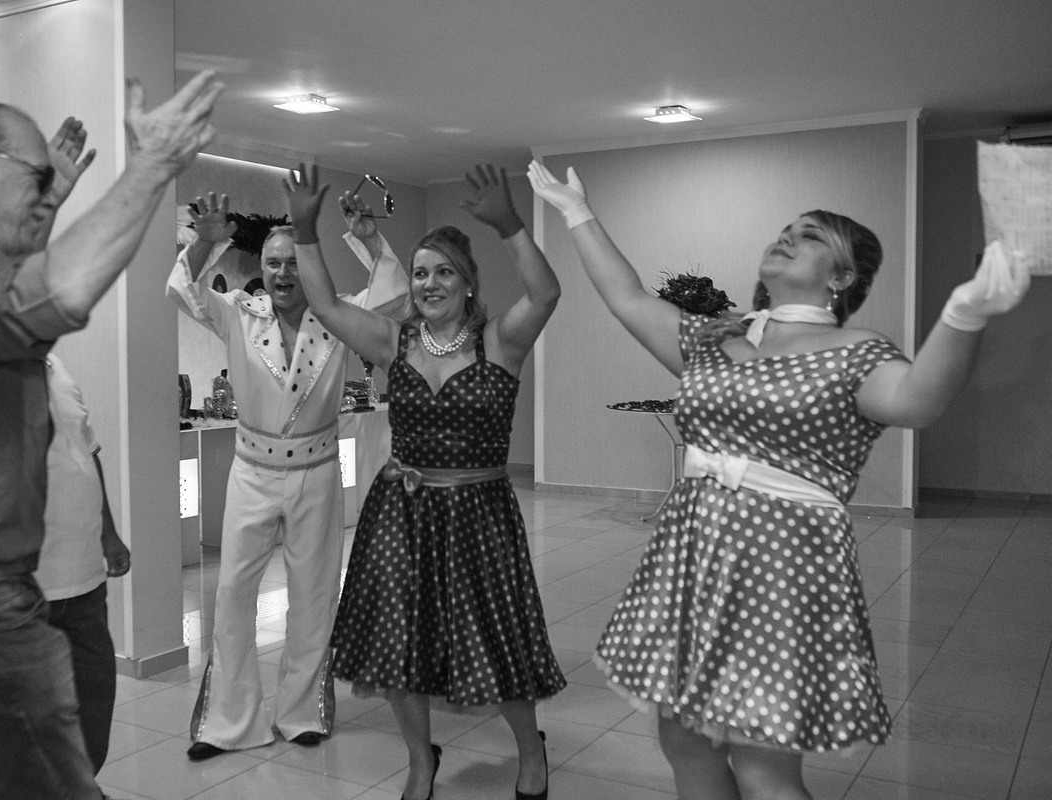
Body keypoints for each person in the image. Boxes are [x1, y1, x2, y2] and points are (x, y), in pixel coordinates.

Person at [526, 160, 1030, 800]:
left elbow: (917, 401)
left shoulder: (858, 350)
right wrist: (577, 212)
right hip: (692, 553)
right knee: (684, 740)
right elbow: (627, 297)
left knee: (762, 765)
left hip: (782, 564)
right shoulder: (715, 336)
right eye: (787, 229)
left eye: (810, 235)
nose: (788, 237)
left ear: (842, 277)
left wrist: (965, 312)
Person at [0, 71, 223, 800]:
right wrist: (152, 165)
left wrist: (45, 196)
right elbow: (52, 290)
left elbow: (16, 282)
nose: (47, 193)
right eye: (36, 178)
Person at [283, 163, 566, 800]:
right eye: (420, 273)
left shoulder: (500, 342)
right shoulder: (394, 341)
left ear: (468, 283)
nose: (429, 283)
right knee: (398, 642)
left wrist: (512, 226)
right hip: (402, 511)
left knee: (496, 638)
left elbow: (546, 293)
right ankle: (420, 760)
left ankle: (531, 751)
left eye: (444, 272)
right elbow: (325, 304)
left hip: (479, 515)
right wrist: (304, 231)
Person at [168, 189, 408, 758]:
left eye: (294, 262)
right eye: (273, 263)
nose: (282, 273)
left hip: (317, 472)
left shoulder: (340, 316)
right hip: (252, 473)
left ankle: (301, 713)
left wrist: (369, 238)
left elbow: (394, 296)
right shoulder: (239, 314)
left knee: (314, 593)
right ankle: (228, 721)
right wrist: (204, 242)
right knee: (232, 593)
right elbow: (185, 291)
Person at [36, 353, 132, 776]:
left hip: (85, 581)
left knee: (94, 702)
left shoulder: (57, 368)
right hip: (25, 590)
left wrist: (108, 532)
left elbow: (87, 452)